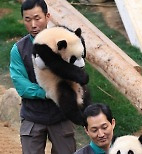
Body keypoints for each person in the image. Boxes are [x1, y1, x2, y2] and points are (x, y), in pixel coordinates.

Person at [9, 0, 76, 153]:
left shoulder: (64, 42)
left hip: (61, 115)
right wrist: (48, 93)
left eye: (37, 18)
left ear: (47, 16)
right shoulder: (18, 49)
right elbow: (21, 85)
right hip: (32, 117)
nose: (33, 24)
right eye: (27, 19)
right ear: (23, 20)